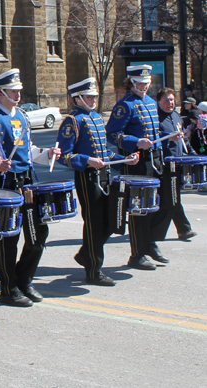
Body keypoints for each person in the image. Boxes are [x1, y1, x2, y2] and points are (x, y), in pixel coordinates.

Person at [0, 69, 60, 306]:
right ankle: (8, 289)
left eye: (18, 90)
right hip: (5, 182)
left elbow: (29, 150)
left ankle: (24, 279)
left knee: (38, 233)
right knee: (9, 239)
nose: (18, 94)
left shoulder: (23, 117)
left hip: (27, 180)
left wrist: (46, 153)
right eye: (12, 91)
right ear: (0, 93)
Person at [56, 78, 139, 286]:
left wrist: (124, 159)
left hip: (104, 176)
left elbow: (105, 153)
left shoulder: (95, 117)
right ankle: (94, 270)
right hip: (87, 177)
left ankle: (86, 253)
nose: (93, 100)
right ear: (78, 98)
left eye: (94, 96)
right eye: (89, 96)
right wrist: (87, 161)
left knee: (110, 220)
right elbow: (63, 156)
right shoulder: (72, 121)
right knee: (93, 223)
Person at [106, 65, 180, 270]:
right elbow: (112, 134)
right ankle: (137, 254)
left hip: (156, 159)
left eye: (146, 83)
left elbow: (155, 132)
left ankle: (151, 242)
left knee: (162, 203)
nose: (144, 87)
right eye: (139, 83)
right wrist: (136, 141)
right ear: (132, 82)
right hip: (137, 162)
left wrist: (169, 137)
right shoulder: (125, 105)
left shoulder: (150, 102)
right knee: (139, 208)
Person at [157, 88, 198, 241]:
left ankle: (155, 230)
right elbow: (152, 138)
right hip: (165, 165)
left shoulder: (175, 116)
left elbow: (183, 138)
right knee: (172, 198)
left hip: (179, 163)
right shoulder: (156, 118)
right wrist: (168, 137)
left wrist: (192, 154)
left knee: (170, 199)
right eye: (166, 100)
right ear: (159, 102)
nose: (170, 103)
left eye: (172, 100)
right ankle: (183, 229)